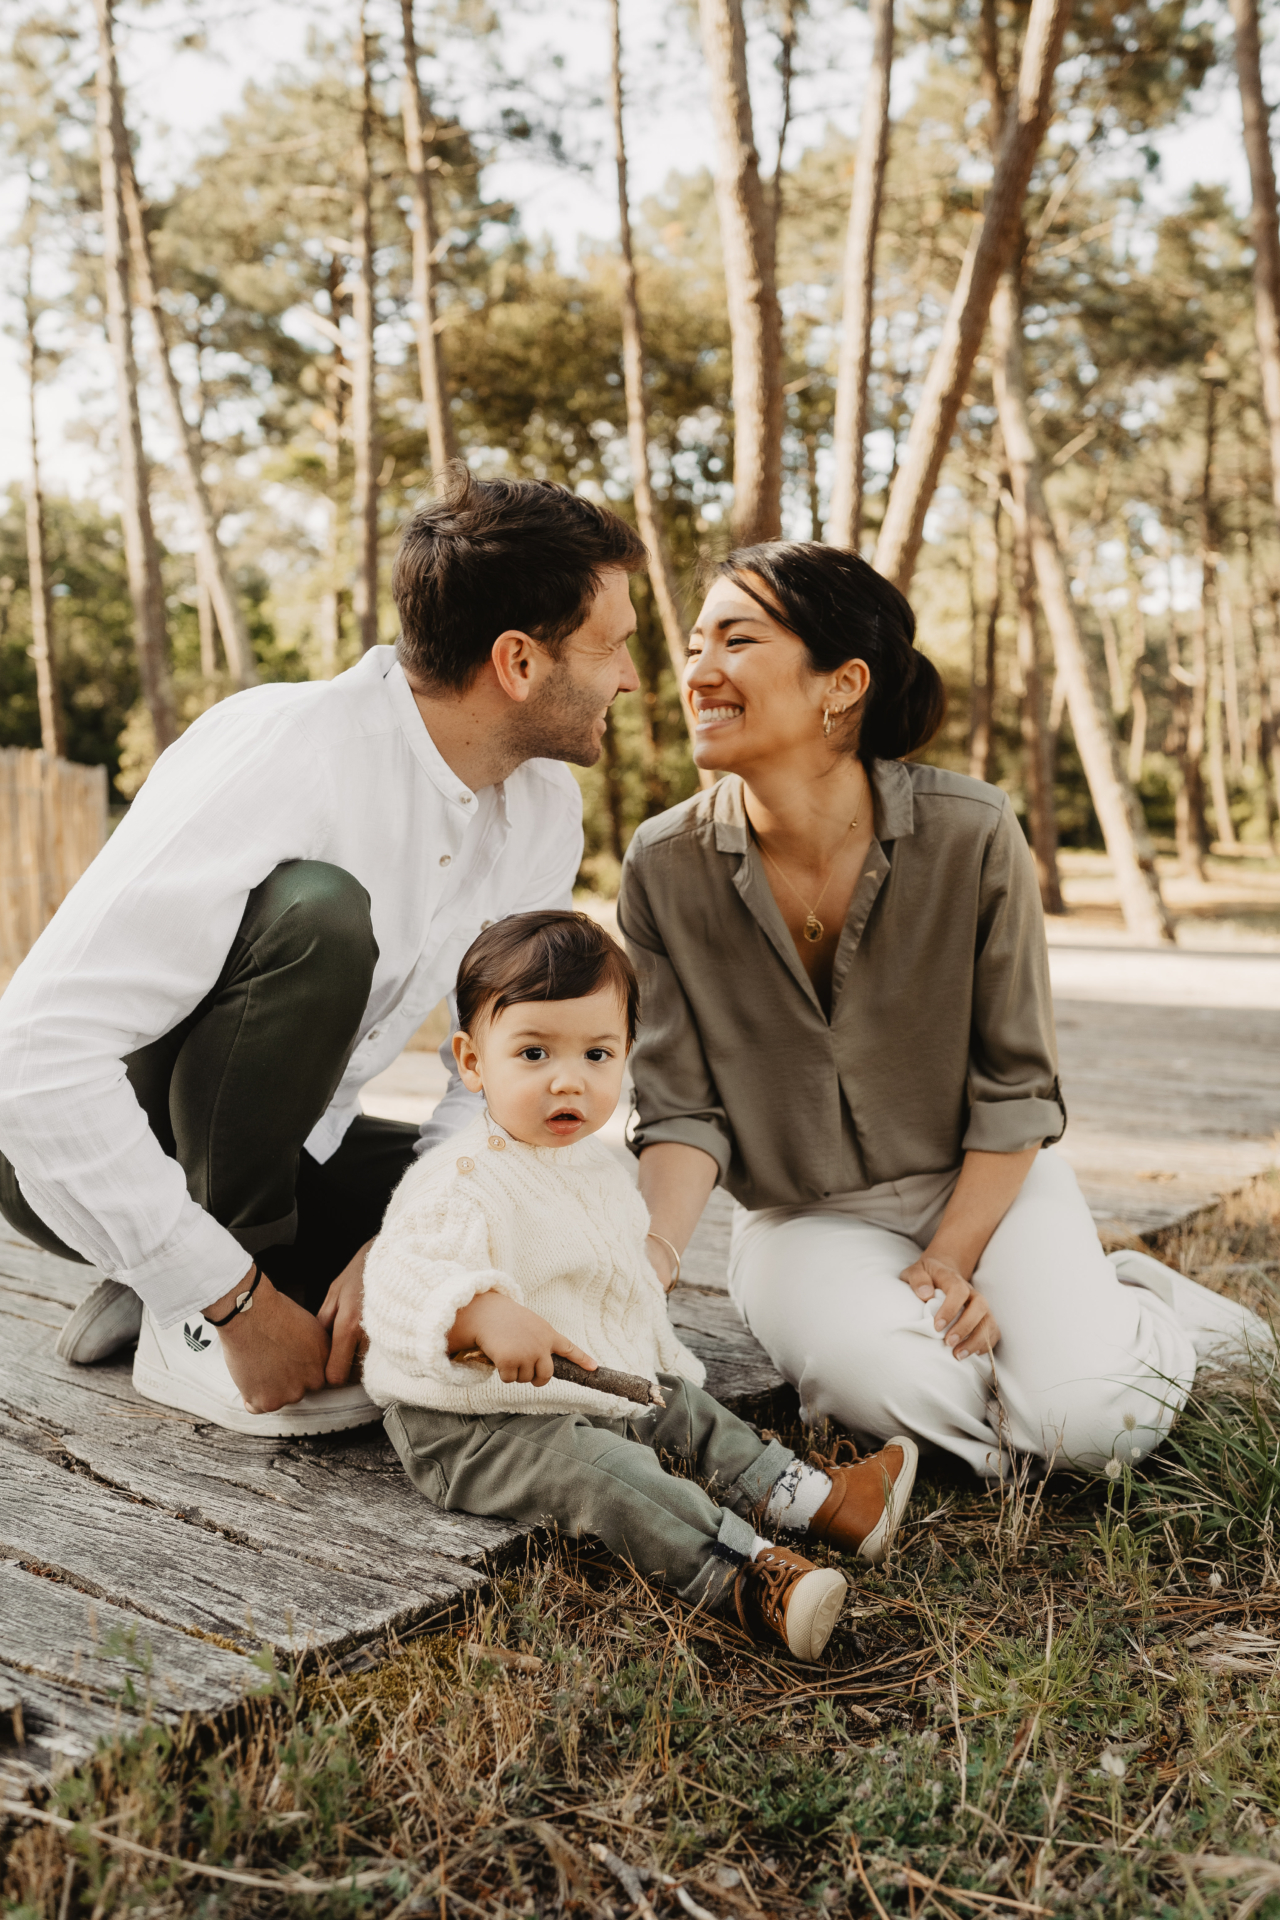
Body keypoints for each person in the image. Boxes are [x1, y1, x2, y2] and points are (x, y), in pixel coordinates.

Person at [0, 466, 649, 1436]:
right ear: (517, 661)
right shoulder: (283, 749)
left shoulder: (541, 807)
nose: (630, 678)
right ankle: (196, 1307)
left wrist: (408, 1240)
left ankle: (159, 1275)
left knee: (552, 1203)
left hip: (301, 1139)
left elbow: (492, 1065)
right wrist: (229, 1296)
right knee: (322, 915)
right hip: (77, 1138)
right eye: (613, 649)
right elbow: (33, 1062)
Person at [618, 541, 1270, 1481]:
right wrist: (649, 1262)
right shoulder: (661, 863)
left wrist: (954, 1255)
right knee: (893, 1390)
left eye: (736, 640)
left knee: (1092, 1431)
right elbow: (680, 1108)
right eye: (692, 646)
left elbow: (1015, 1087)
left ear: (842, 684)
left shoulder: (972, 832)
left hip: (986, 1184)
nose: (698, 672)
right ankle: (1059, 1378)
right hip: (802, 1220)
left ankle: (1135, 1317)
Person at [363, 909, 918, 1661]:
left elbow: (617, 1285)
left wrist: (654, 1362)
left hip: (576, 1383)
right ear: (471, 1062)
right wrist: (480, 1313)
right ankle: (747, 1577)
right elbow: (399, 1287)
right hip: (470, 1424)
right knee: (610, 1474)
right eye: (532, 1053)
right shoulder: (458, 1179)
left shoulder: (597, 1169)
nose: (569, 1079)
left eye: (597, 1053)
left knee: (681, 1406)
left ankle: (827, 1504)